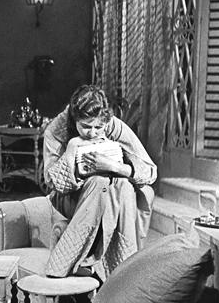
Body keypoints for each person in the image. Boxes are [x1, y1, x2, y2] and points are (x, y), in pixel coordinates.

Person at [42, 84, 157, 283]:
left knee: (123, 186)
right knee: (99, 182)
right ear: (74, 119)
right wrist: (72, 149)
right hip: (71, 198)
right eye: (86, 127)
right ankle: (118, 270)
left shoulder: (112, 124)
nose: (93, 132)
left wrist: (113, 166)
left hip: (113, 190)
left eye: (98, 127)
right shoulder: (55, 130)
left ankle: (101, 264)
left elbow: (149, 171)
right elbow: (53, 182)